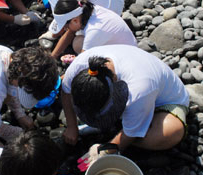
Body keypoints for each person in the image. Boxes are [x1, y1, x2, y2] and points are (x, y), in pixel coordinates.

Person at [61, 45, 189, 149]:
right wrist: (72, 126)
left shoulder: (138, 91)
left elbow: (130, 134)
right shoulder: (79, 66)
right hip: (142, 96)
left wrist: (106, 150)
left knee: (169, 134)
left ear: (117, 95)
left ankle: (121, 129)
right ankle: (122, 125)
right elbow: (65, 92)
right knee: (129, 122)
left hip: (166, 103)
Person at [50, 0, 137, 59]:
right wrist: (52, 58)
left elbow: (79, 65)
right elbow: (70, 33)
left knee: (86, 61)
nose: (65, 29)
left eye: (65, 26)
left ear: (75, 21)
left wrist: (58, 81)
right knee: (78, 42)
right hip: (118, 44)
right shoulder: (86, 10)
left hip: (126, 56)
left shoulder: (94, 30)